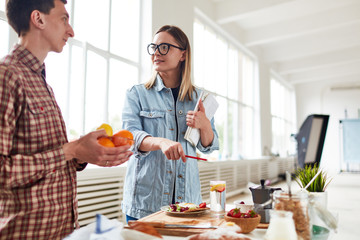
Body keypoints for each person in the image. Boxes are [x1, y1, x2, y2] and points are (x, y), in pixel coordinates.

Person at [0, 0, 132, 239]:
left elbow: (52, 156)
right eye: (64, 19)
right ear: (38, 19)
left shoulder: (43, 85)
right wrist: (70, 151)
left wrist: (83, 153)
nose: (71, 31)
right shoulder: (6, 76)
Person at [121, 25, 219, 221]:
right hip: (145, 203)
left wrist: (205, 125)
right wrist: (160, 142)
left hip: (188, 202)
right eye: (154, 47)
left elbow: (209, 147)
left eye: (164, 47)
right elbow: (129, 137)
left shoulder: (199, 98)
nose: (156, 53)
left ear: (183, 54)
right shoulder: (136, 94)